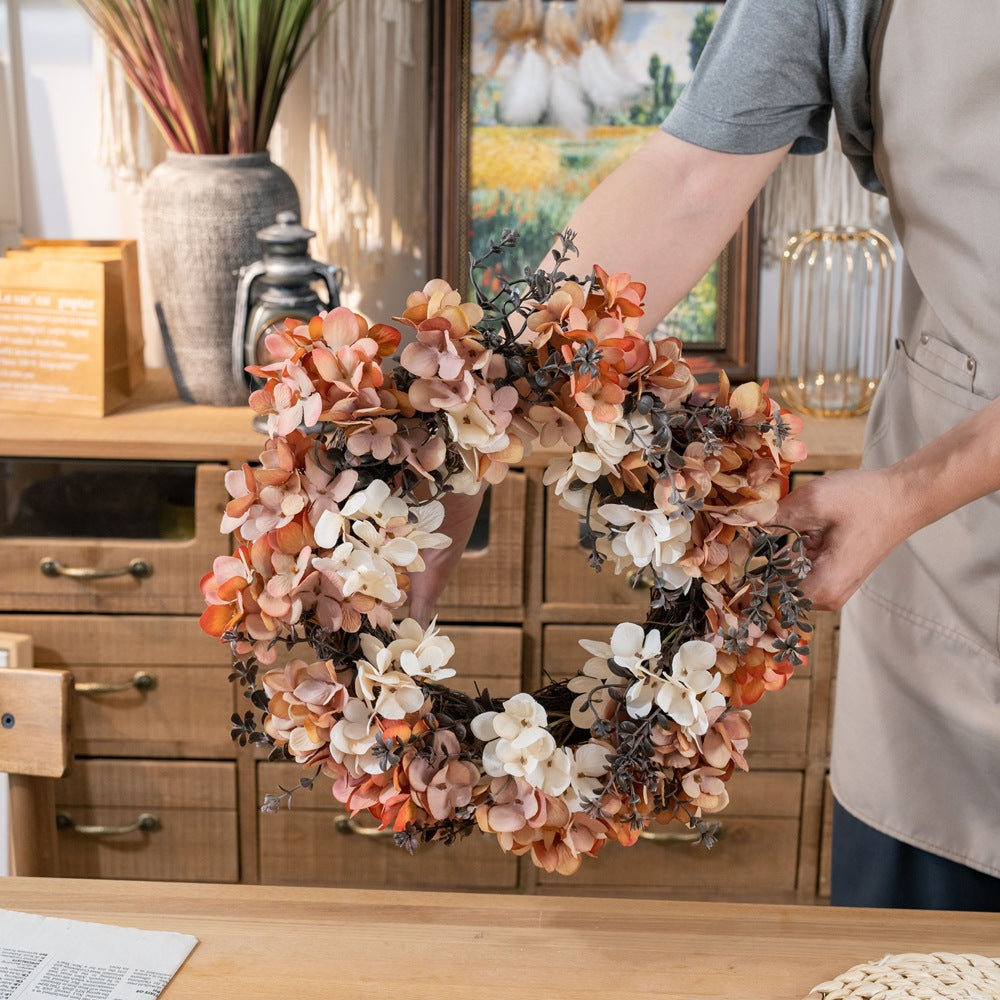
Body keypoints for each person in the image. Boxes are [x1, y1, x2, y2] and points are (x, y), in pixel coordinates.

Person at [411, 0, 1000, 911]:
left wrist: (918, 489)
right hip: (954, 605)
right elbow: (688, 179)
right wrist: (472, 410)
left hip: (924, 500)